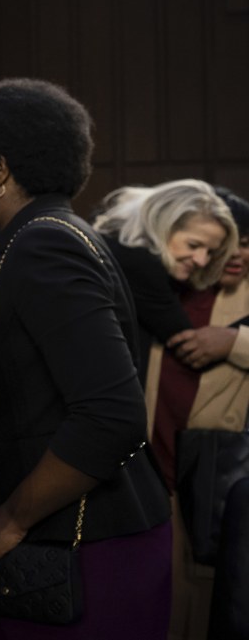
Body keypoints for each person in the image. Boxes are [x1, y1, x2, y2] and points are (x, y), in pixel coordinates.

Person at [0, 78, 173, 639]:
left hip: (85, 553)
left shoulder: (45, 242)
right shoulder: (53, 233)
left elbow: (112, 414)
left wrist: (6, 520)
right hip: (80, 545)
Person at [135, 188, 249, 640]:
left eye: (248, 241)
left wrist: (234, 343)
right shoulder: (165, 283)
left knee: (213, 600)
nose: (239, 252)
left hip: (219, 475)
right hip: (149, 468)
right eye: (231, 241)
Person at [93, 179, 238, 392]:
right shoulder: (139, 264)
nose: (202, 261)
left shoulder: (116, 245)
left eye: (210, 252)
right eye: (194, 245)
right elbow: (192, 348)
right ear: (162, 226)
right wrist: (237, 338)